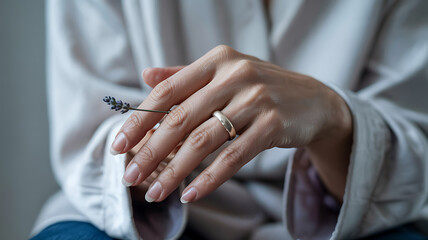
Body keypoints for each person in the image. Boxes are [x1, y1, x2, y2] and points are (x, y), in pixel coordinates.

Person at [31, 0, 428, 239]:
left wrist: (335, 118)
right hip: (150, 217)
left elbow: (415, 154)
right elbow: (90, 123)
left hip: (348, 218)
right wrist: (138, 159)